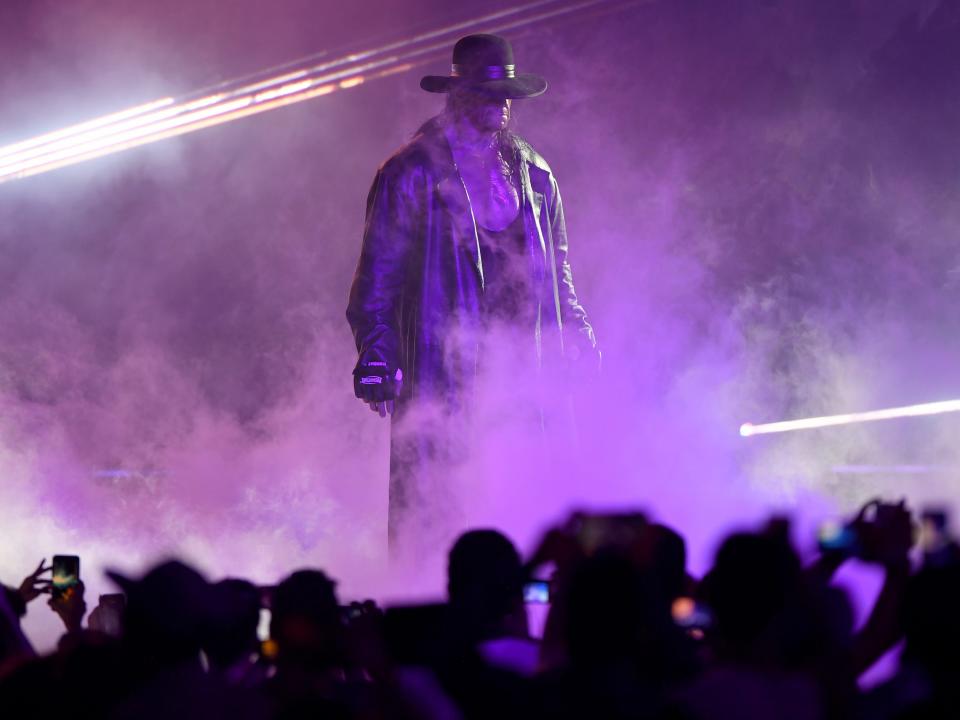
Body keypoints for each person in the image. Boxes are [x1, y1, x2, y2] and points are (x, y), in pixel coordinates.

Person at [346, 34, 599, 553]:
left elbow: (559, 271)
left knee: (527, 513)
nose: (501, 103)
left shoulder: (536, 174)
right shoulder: (409, 173)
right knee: (441, 517)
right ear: (458, 94)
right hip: (446, 378)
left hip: (523, 378)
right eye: (489, 92)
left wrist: (575, 327)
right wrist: (376, 353)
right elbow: (378, 275)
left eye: (507, 93)